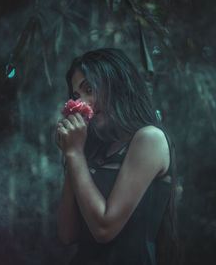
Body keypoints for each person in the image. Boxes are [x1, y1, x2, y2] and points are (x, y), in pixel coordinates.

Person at [55, 48, 180, 265]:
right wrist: (74, 151)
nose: (82, 104)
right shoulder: (92, 148)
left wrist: (74, 153)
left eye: (89, 89)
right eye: (76, 96)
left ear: (118, 86)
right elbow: (68, 234)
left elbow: (104, 229)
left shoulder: (150, 138)